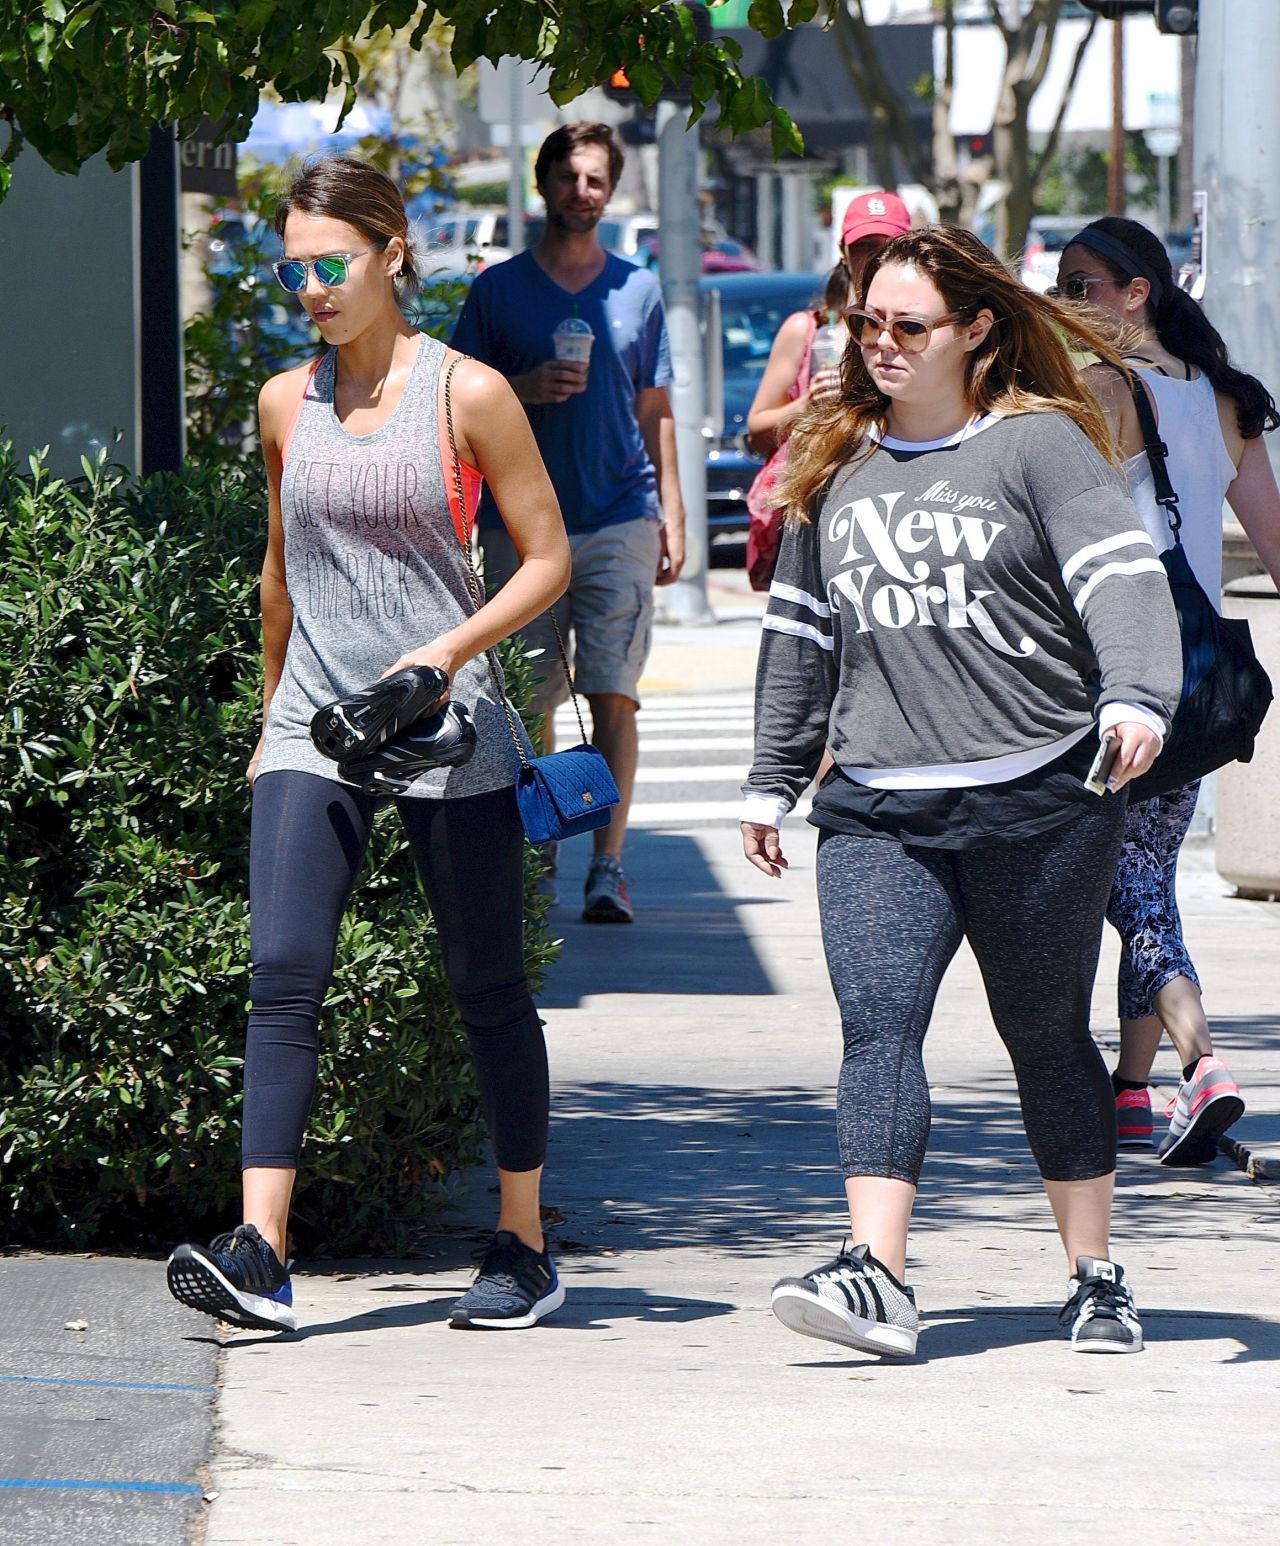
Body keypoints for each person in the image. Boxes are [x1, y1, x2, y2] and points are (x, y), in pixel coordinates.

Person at [741, 226, 1182, 1358]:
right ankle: (875, 1274)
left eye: (907, 326)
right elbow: (799, 633)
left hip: (1036, 799)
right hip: (879, 807)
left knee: (1042, 1033)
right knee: (875, 1027)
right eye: (864, 324)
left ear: (973, 330)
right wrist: (770, 775)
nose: (880, 345)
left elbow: (1121, 579)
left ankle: (1093, 1273)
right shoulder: (832, 459)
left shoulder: (1037, 447)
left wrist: (1133, 694)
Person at [165, 156, 572, 1334]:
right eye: (292, 267)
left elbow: (541, 559)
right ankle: (262, 1252)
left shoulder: (469, 394)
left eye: (329, 263)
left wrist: (441, 655)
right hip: (314, 721)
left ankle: (524, 1243)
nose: (309, 288)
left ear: (392, 254)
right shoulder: (284, 404)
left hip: (446, 724)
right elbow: (280, 574)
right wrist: (266, 722)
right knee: (282, 975)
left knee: (488, 986)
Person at [1057, 217, 1280, 1163]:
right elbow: (1274, 539)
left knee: (1128, 884)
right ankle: (1131, 1098)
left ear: (1137, 291)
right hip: (1200, 677)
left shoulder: (1102, 390)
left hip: (1115, 671)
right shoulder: (1225, 398)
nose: (1066, 303)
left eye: (1083, 285)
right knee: (1150, 878)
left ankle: (1202, 1061)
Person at [451, 122, 685, 924]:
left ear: (611, 191)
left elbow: (657, 410)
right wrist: (522, 385)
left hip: (621, 513)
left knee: (613, 691)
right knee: (535, 700)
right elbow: (452, 407)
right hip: (521, 528)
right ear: (542, 183)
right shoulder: (498, 292)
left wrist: (671, 515)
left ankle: (607, 866)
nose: (581, 192)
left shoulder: (638, 289)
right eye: (568, 177)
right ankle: (544, 857)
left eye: (596, 180)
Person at [743, 192, 913, 593]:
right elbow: (757, 430)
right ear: (843, 252)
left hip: (897, 511)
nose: (875, 258)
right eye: (864, 247)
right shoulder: (809, 330)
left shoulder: (923, 330)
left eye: (888, 247)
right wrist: (806, 405)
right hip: (816, 511)